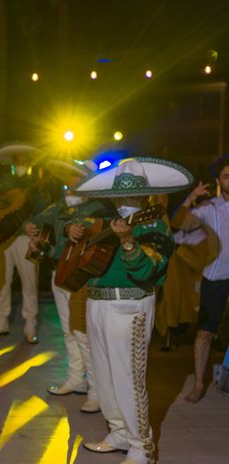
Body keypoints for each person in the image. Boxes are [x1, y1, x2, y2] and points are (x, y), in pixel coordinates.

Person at [72, 157, 192, 464]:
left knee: (128, 378)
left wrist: (128, 242)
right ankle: (118, 432)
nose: (126, 199)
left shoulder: (156, 224)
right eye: (121, 193)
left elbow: (147, 270)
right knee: (105, 375)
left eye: (132, 193)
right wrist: (71, 234)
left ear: (145, 194)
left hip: (129, 306)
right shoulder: (104, 220)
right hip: (96, 302)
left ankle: (142, 446)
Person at [24, 159, 114, 414]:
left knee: (84, 333)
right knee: (68, 331)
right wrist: (30, 230)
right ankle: (77, 378)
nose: (71, 182)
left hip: (83, 277)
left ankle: (97, 391)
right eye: (68, 177)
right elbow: (35, 221)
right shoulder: (57, 207)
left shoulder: (101, 208)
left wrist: (74, 229)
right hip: (58, 273)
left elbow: (102, 234)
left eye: (77, 177)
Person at [171, 154, 229, 404]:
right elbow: (179, 224)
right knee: (205, 333)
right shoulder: (210, 208)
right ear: (218, 181)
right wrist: (190, 199)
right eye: (227, 176)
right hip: (216, 276)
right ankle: (198, 384)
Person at [0, 142, 55, 343]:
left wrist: (34, 228)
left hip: (28, 240)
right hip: (4, 240)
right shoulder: (0, 185)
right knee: (2, 282)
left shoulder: (38, 185)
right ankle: (1, 321)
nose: (22, 165)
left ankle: (30, 324)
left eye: (25, 161)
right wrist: (22, 223)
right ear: (12, 163)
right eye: (18, 162)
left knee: (30, 283)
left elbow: (45, 211)